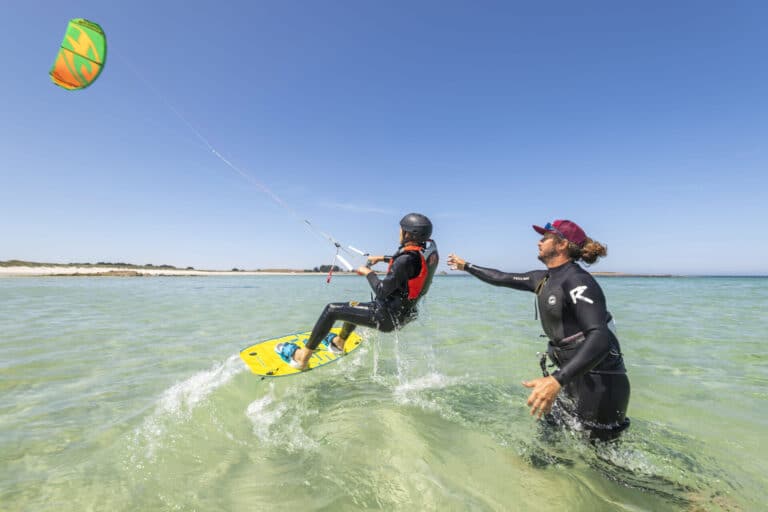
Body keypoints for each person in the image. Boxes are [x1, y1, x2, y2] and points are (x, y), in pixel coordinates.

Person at [447, 219, 630, 441]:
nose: (539, 242)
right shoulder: (543, 278)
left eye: (545, 238)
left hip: (600, 382)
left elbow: (600, 337)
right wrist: (466, 266)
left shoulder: (578, 281)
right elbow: (501, 277)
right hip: (570, 377)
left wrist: (556, 380)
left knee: (602, 462)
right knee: (552, 440)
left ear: (562, 245)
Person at [276, 213, 439, 370]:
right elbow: (409, 262)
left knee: (331, 310)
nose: (399, 232)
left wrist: (368, 273)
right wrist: (381, 258)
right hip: (404, 314)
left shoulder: (406, 260)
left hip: (386, 317)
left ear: (408, 234)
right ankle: (338, 343)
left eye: (401, 229)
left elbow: (382, 290)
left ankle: (302, 357)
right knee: (352, 307)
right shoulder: (428, 253)